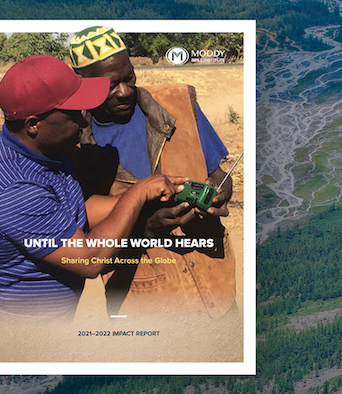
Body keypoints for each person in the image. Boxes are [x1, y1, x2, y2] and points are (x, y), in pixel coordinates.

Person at [0, 55, 185, 319]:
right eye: (73, 115)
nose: (84, 123)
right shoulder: (18, 189)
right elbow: (89, 259)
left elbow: (75, 209)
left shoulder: (48, 152)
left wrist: (150, 200)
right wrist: (138, 194)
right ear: (34, 124)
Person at [69, 26, 237, 318]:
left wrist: (220, 193)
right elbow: (84, 250)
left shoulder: (178, 103)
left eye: (129, 78)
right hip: (145, 303)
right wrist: (145, 230)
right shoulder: (74, 146)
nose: (124, 92)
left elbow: (218, 174)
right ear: (82, 83)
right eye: (110, 85)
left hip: (217, 288)